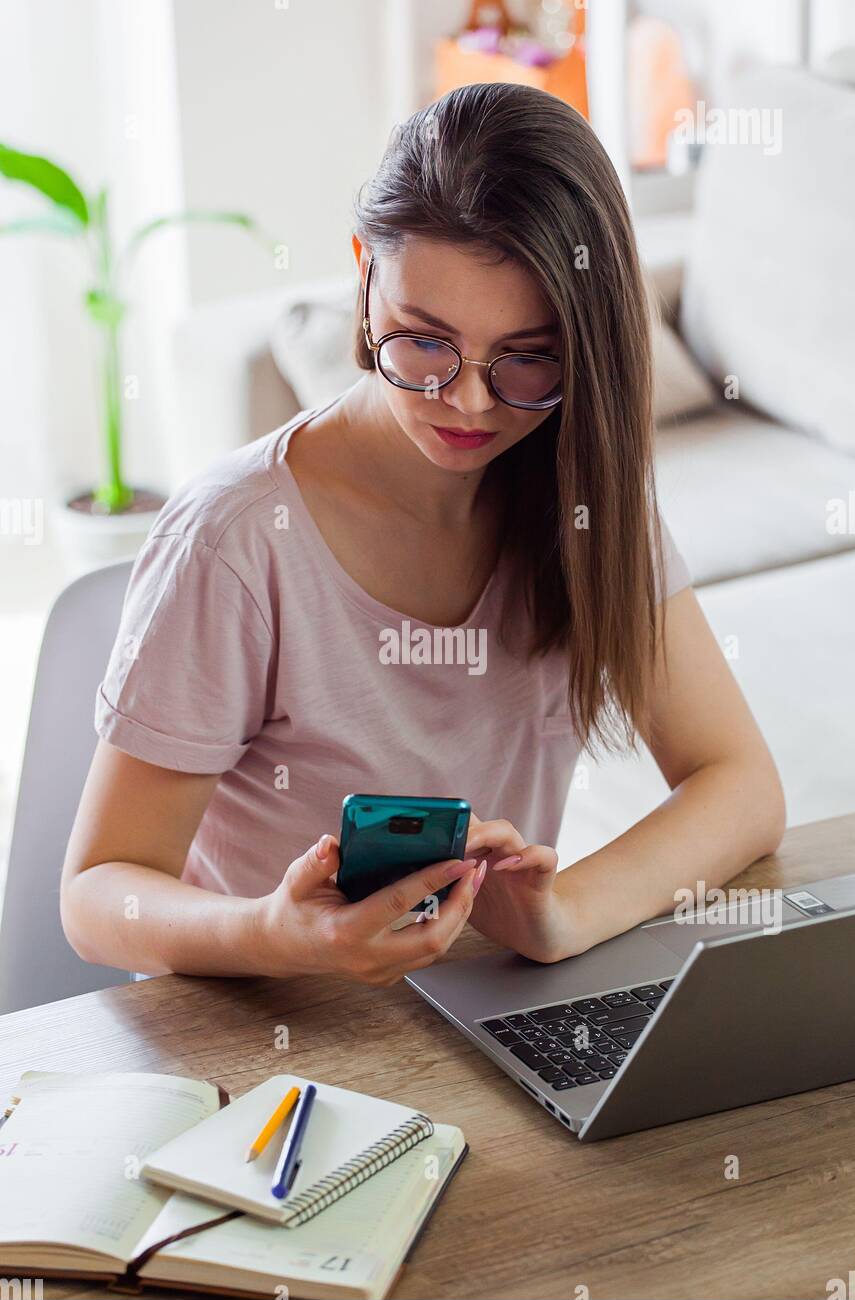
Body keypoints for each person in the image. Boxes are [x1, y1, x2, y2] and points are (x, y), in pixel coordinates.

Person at [61, 83, 785, 986]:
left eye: (528, 357)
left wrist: (562, 914)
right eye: (424, 343)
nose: (471, 402)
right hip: (269, 1032)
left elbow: (742, 785)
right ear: (364, 276)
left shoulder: (583, 494)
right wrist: (275, 934)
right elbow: (98, 894)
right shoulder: (239, 539)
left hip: (485, 1012)